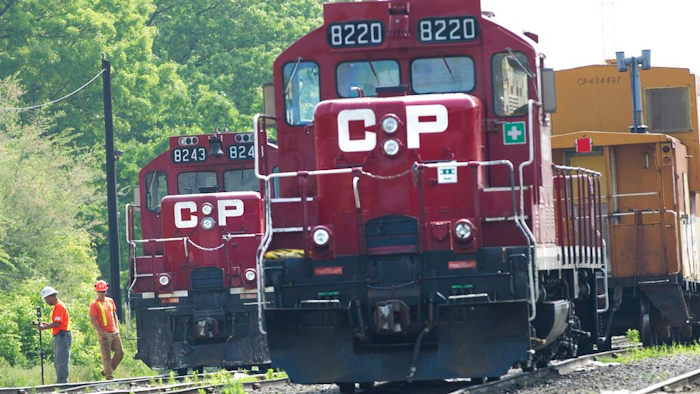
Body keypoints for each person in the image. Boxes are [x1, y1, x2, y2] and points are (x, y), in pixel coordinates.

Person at [89, 280, 124, 380]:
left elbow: (114, 315)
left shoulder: (110, 301)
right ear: (96, 291)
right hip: (104, 334)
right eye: (100, 291)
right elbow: (93, 320)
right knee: (106, 357)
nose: (102, 293)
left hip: (114, 332)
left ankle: (107, 370)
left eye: (103, 291)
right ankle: (109, 377)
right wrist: (101, 332)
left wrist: (117, 327)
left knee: (120, 353)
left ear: (106, 290)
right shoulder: (94, 304)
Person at [38, 286, 72, 384]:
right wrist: (47, 324)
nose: (46, 301)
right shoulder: (57, 307)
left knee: (61, 360)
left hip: (62, 336)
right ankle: (61, 381)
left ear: (50, 297)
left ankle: (62, 383)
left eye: (46, 299)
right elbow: (57, 323)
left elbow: (57, 323)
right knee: (58, 360)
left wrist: (44, 328)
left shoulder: (59, 306)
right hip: (60, 336)